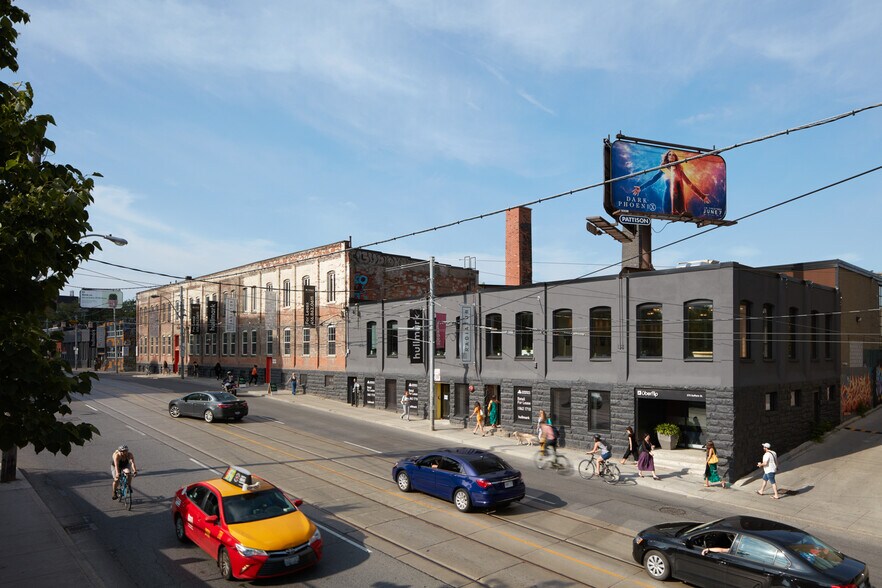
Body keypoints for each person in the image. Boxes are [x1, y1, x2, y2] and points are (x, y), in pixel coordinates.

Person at [631, 150, 710, 215]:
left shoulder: (679, 170)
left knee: (681, 214)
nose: (671, 156)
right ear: (667, 157)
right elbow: (654, 179)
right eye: (669, 154)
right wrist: (641, 187)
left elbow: (689, 184)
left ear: (675, 157)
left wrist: (702, 196)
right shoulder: (664, 168)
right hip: (668, 196)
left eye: (673, 155)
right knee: (668, 213)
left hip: (679, 197)